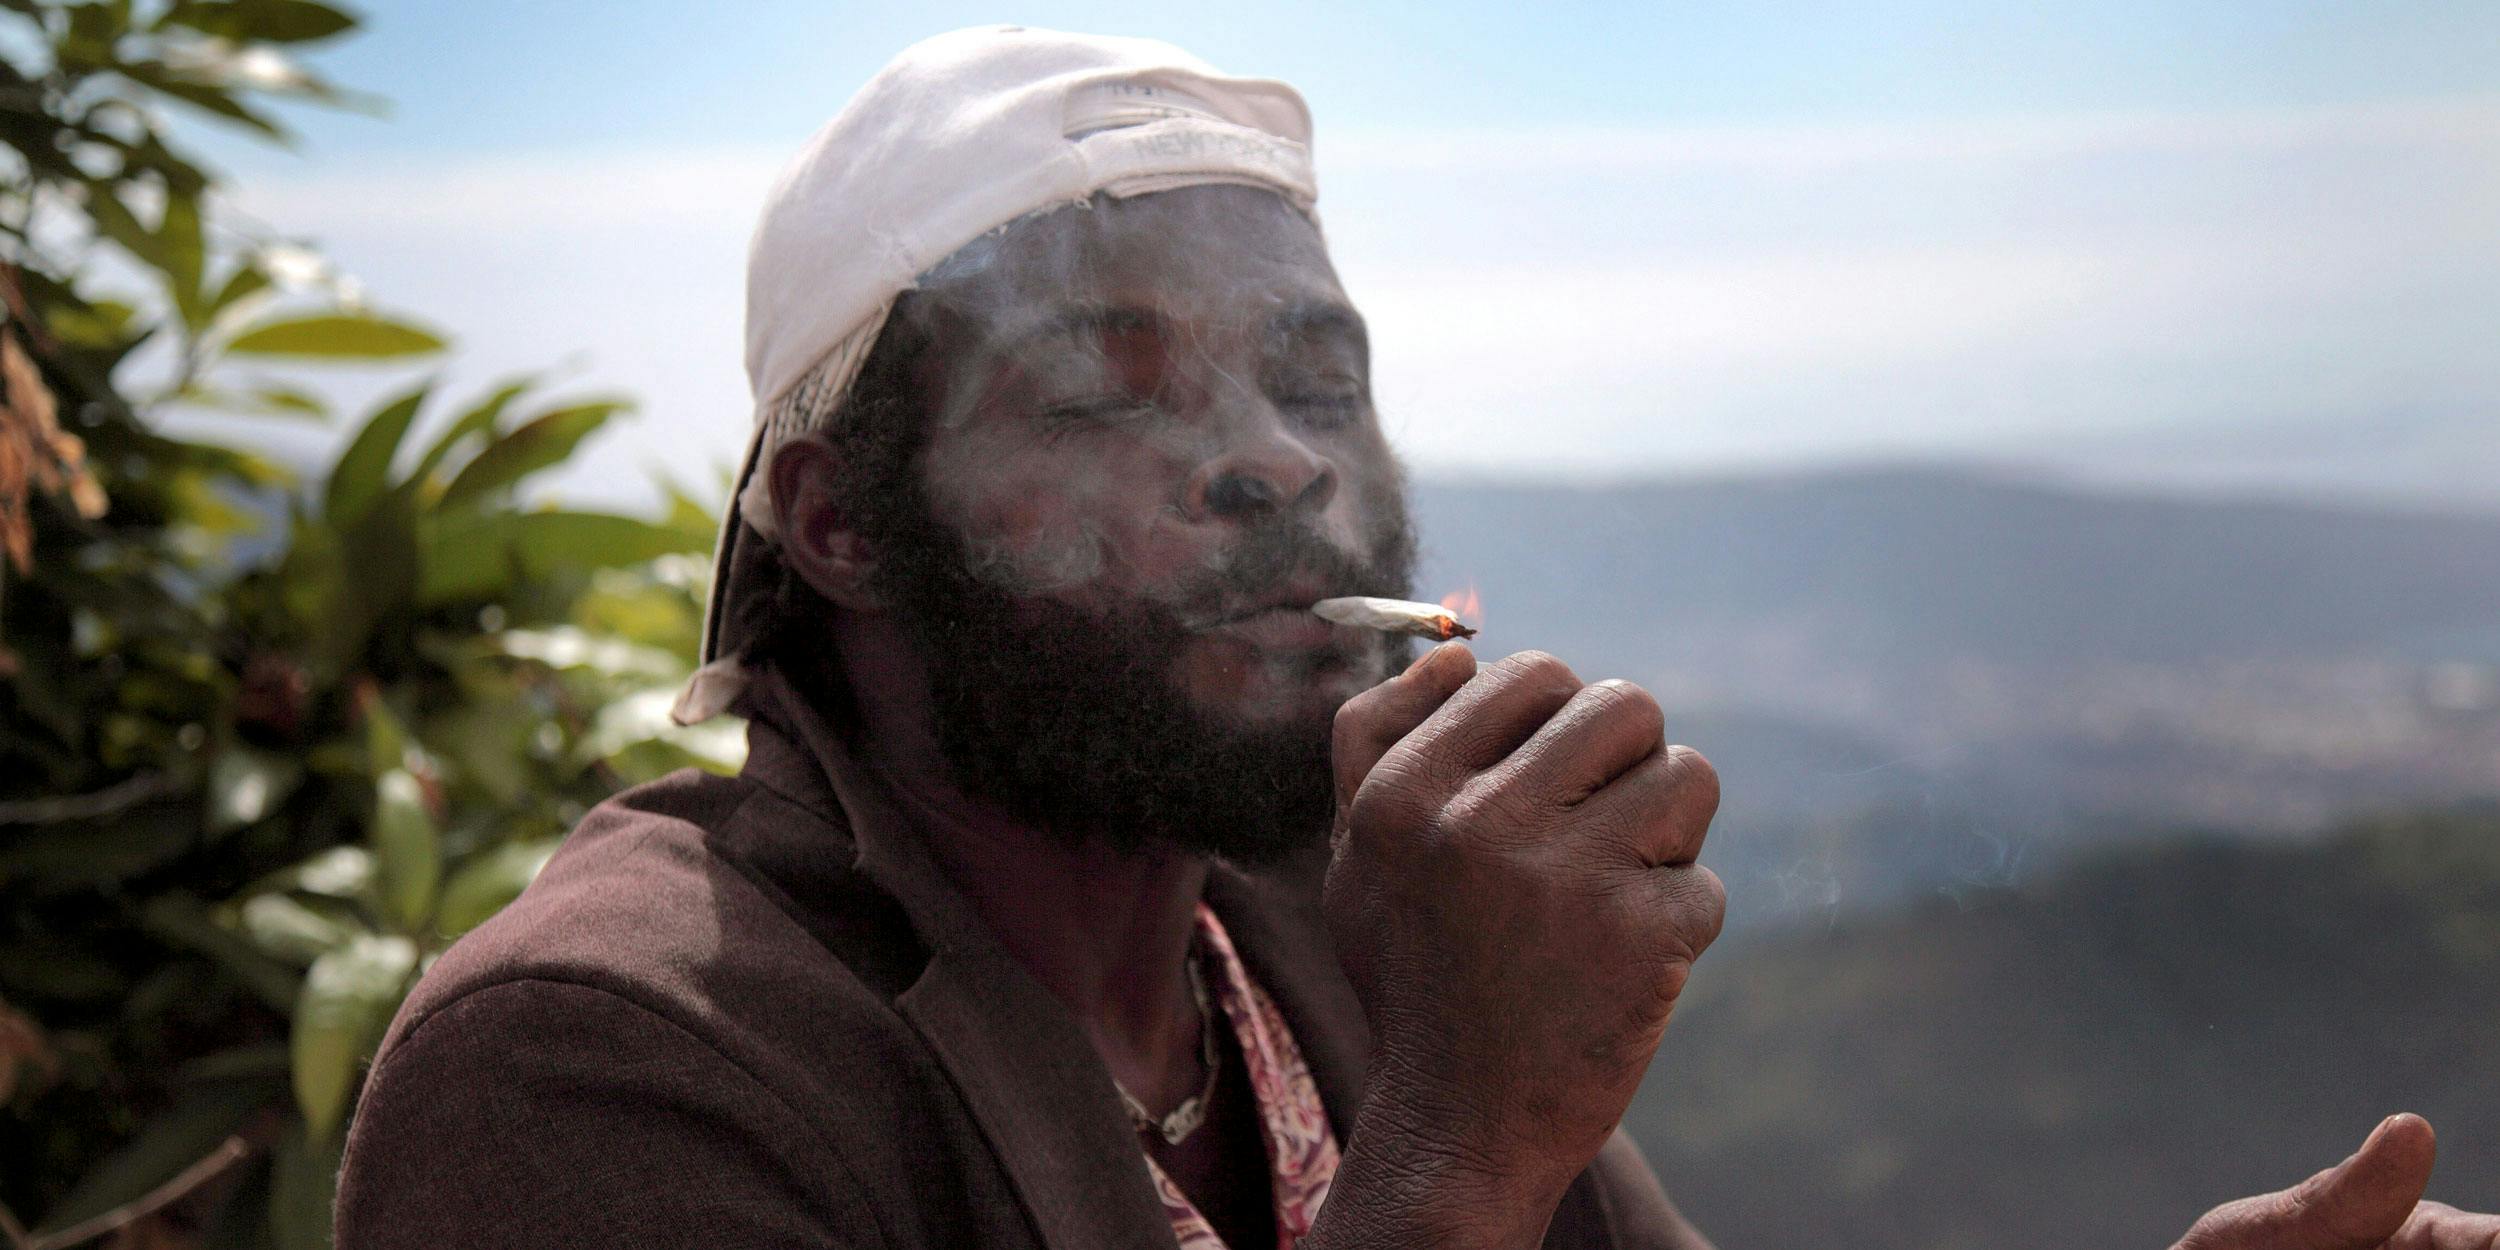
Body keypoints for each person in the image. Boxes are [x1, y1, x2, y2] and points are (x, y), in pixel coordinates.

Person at [333, 27, 2500, 1250]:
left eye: (1316, 376)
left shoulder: (1309, 911)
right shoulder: (603, 1059)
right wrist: (1462, 1136)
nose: (1272, 463)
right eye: (1105, 383)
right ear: (837, 525)